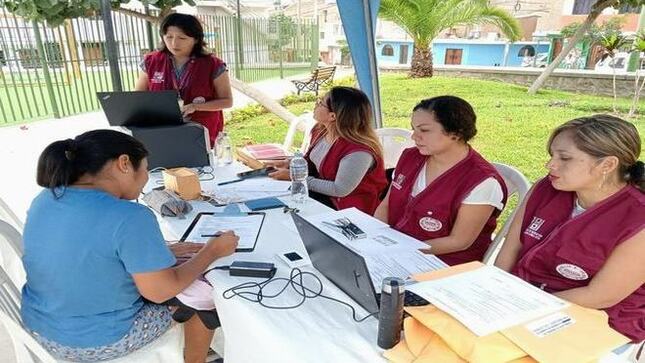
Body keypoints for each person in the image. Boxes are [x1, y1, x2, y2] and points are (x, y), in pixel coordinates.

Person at [21, 130, 239, 363]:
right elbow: (160, 291)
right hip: (100, 340)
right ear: (124, 163)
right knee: (203, 295)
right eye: (145, 169)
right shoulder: (130, 216)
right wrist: (212, 251)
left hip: (41, 328)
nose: (146, 177)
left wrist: (156, 253)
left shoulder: (47, 198)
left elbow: (86, 248)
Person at [495, 115, 644, 342]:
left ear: (608, 165)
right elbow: (512, 246)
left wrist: (523, 306)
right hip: (517, 300)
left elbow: (601, 296)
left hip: (594, 319)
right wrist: (494, 289)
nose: (550, 165)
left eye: (564, 158)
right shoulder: (546, 188)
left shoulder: (637, 218)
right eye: (552, 155)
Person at [374, 96, 507, 266]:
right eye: (414, 129)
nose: (415, 137)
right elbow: (386, 204)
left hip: (442, 265)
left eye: (425, 130)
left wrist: (400, 249)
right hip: (393, 251)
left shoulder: (483, 182)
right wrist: (377, 237)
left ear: (456, 132)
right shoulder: (410, 157)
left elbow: (459, 241)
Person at [268, 86, 387, 214]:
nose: (316, 104)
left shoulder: (359, 152)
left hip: (349, 211)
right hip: (323, 197)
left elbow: (339, 189)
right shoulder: (321, 130)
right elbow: (311, 160)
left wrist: (296, 178)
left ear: (332, 116)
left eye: (321, 103)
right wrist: (290, 163)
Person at [135, 13, 233, 146]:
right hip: (161, 131)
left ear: (196, 39)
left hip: (200, 132)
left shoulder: (213, 64)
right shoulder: (151, 61)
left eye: (182, 38)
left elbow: (227, 101)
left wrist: (195, 107)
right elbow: (138, 98)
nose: (174, 43)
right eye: (169, 37)